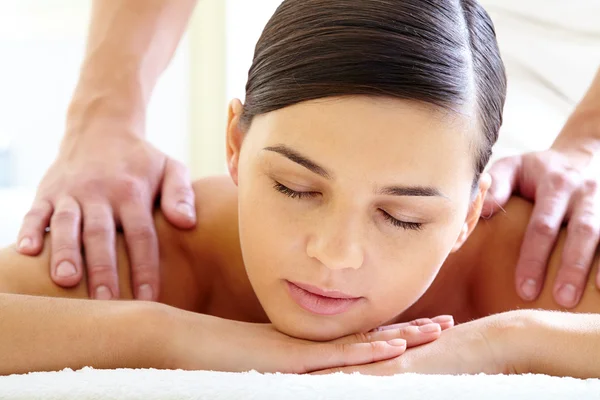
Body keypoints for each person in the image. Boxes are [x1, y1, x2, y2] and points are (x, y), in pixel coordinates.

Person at [2, 0, 600, 378]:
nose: (334, 253)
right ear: (234, 145)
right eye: (295, 187)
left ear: (470, 215)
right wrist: (160, 333)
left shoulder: (539, 258)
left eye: (403, 218)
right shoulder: (158, 246)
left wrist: (505, 342)